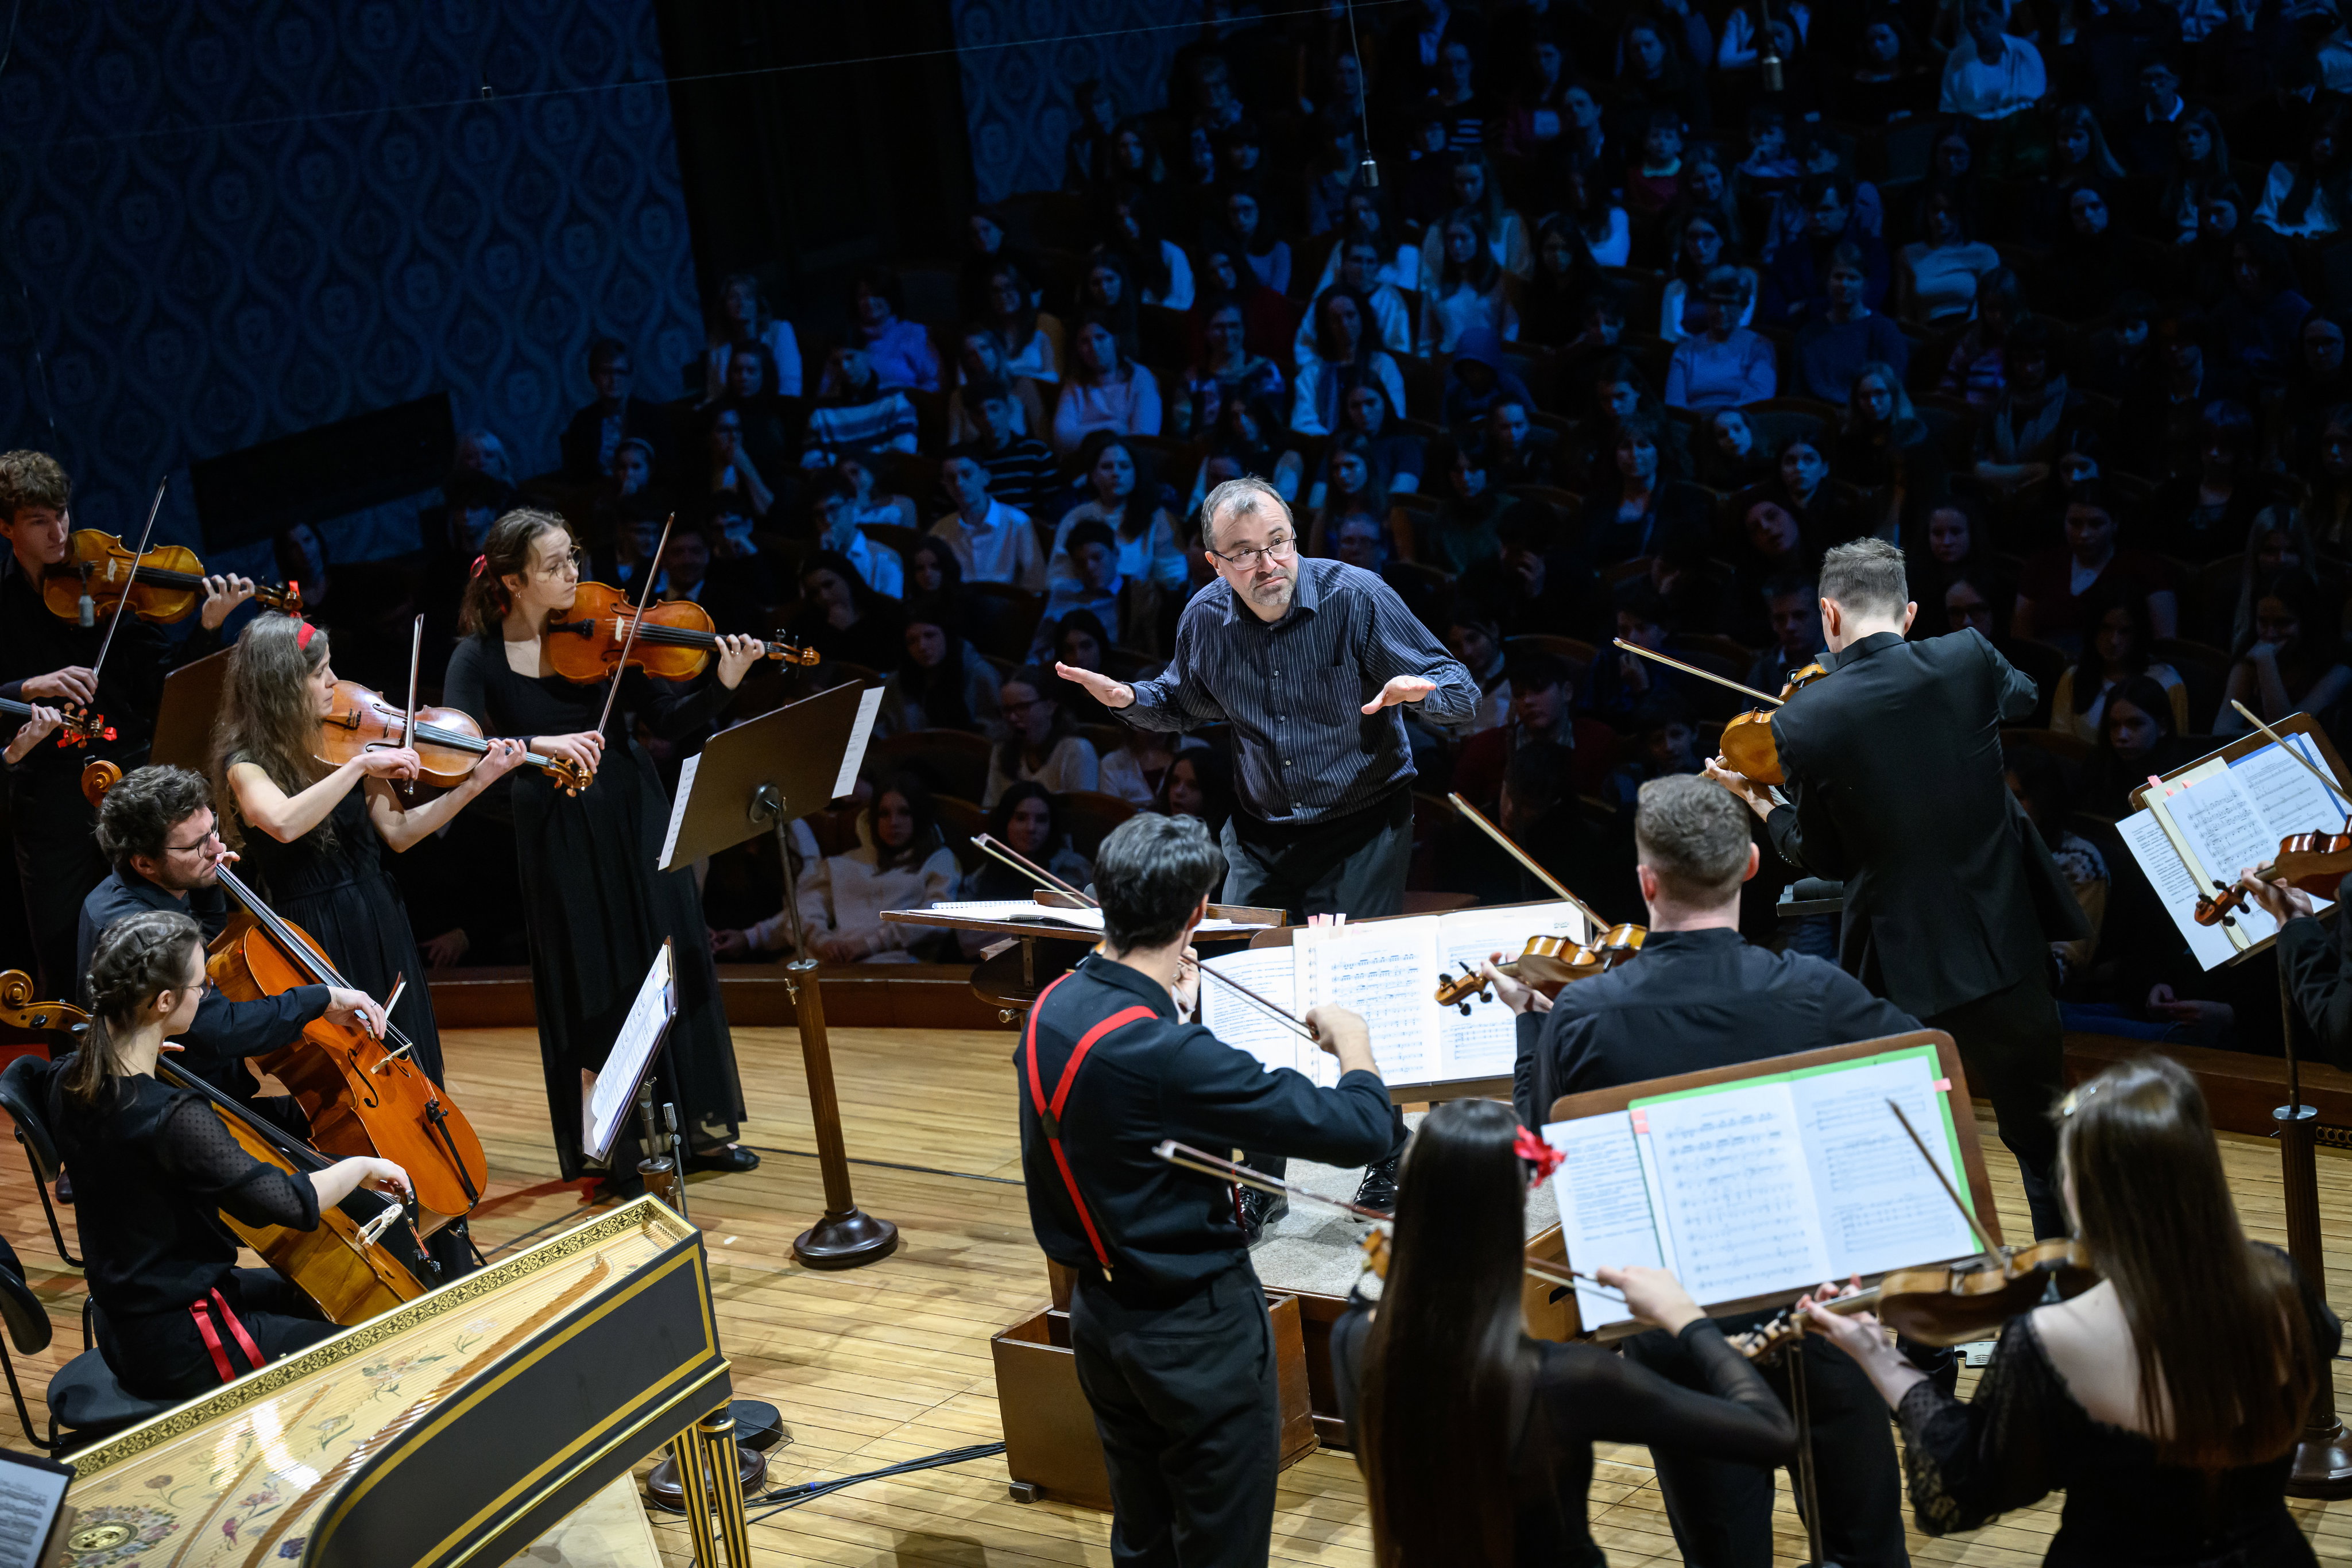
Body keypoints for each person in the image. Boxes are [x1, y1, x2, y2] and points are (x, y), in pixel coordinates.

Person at [1484, 774, 1916, 1566]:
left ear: (1646, 880)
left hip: (1678, 1320)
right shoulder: (1820, 991)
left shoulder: (1585, 1015)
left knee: (1723, 1551)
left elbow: (1541, 1151)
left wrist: (1528, 1029)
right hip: (1819, 1304)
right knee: (1862, 1543)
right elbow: (1923, 1078)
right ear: (1753, 864)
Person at [1015, 812, 1395, 1566]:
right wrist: (1355, 1041)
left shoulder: (1052, 1004)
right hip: (1195, 1331)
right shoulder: (1169, 1055)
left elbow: (1122, 1099)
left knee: (1145, 1534)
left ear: (1103, 899)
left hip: (1100, 1314)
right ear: (1196, 913)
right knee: (1222, 1543)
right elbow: (1362, 1129)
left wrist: (1171, 1010)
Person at [1807, 1055, 2337, 1567]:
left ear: (2088, 1190)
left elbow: (1961, 1483)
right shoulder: (2280, 1281)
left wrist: (1878, 1355)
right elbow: (2323, 1339)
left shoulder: (2055, 1337)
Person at [1706, 539, 2090, 1241]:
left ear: (1827, 614)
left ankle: (1934, 1343)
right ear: (1909, 612)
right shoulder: (1965, 657)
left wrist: (1760, 803)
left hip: (1901, 972)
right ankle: (2066, 1304)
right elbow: (2026, 696)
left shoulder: (1806, 719)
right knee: (2044, 1143)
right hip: (2004, 947)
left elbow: (1814, 853)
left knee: (1915, 1152)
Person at [440, 510, 759, 1191]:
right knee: (592, 975)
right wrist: (535, 749)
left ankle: (698, 1128)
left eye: (573, 558)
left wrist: (720, 685)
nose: (573, 574)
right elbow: (457, 746)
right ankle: (615, 1147)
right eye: (554, 566)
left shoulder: (607, 633)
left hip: (629, 806)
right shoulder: (478, 655)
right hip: (554, 824)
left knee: (665, 956)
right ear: (512, 580)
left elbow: (668, 719)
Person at [1334, 1096, 1794, 1565]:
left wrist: (1422, 1258)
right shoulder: (1569, 1381)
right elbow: (1770, 1431)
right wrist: (1687, 1320)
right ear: (1517, 1206)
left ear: (1407, 1194)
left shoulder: (1351, 1339)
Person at [1054, 477, 1476, 922]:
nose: (1268, 563)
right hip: (1259, 834)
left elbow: (1461, 691)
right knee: (1243, 962)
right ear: (1215, 563)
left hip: (1361, 829)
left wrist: (1424, 696)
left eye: (1278, 542)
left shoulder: (1356, 596)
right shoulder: (1205, 618)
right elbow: (1181, 705)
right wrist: (1127, 698)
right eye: (1244, 553)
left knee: (1338, 974)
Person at [49, 911, 415, 1401]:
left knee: (306, 1295)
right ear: (163, 1002)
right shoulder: (172, 1115)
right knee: (368, 1355)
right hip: (183, 1340)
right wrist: (360, 1167)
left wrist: (148, 1051)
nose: (206, 996)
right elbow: (282, 1202)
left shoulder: (68, 1081)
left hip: (127, 1319)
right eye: (200, 987)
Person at [212, 613, 528, 1094]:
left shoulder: (350, 740)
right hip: (314, 931)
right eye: (321, 673)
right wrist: (361, 766)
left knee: (415, 1060)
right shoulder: (247, 764)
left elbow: (399, 832)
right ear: (282, 685)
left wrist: (474, 786)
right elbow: (282, 822)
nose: (335, 683)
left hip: (378, 912)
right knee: (354, 1079)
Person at [0, 449, 257, 998]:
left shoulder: (108, 589)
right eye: (39, 522)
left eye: (62, 515)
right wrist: (27, 687)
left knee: (162, 933)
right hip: (52, 801)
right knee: (63, 948)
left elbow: (164, 683)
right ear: (7, 528)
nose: (59, 533)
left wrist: (208, 627)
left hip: (133, 783)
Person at [77, 763, 388, 1116]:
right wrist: (323, 998)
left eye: (213, 829)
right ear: (145, 863)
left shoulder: (122, 891)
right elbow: (223, 1029)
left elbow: (204, 936)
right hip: (180, 1111)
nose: (216, 847)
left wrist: (209, 880)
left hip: (200, 1093)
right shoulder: (145, 931)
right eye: (198, 845)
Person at [559, 338, 670, 485]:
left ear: (629, 375)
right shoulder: (583, 422)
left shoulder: (651, 417)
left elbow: (667, 470)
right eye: (606, 372)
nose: (614, 379)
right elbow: (576, 475)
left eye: (620, 372)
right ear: (593, 377)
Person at [929, 451, 1045, 591]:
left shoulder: (1017, 522)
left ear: (985, 477)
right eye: (951, 478)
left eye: (966, 474)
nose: (959, 484)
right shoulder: (940, 530)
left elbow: (1036, 581)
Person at [987, 665, 1101, 805]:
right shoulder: (1002, 750)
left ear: (1050, 706)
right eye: (1007, 710)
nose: (1012, 718)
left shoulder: (1077, 751)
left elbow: (1082, 814)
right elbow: (992, 807)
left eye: (1022, 707)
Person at [701, 272, 802, 402]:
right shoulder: (719, 342)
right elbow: (715, 393)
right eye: (734, 297)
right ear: (725, 305)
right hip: (733, 415)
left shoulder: (779, 331)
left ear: (757, 303)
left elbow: (790, 388)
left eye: (748, 297)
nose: (741, 303)